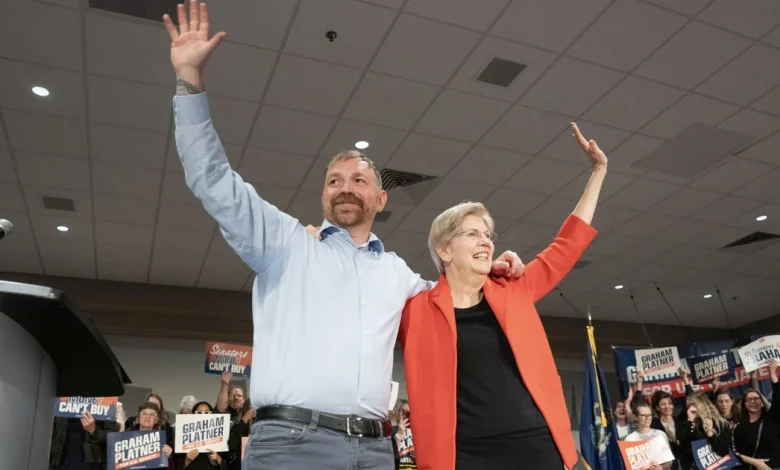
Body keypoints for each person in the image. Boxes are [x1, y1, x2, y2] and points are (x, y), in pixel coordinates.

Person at [161, 2, 522, 468]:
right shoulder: (286, 246)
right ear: (323, 195)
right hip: (291, 444)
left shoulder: (399, 276)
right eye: (334, 180)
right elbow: (212, 179)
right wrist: (189, 78)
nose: (345, 187)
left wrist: (487, 267)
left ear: (380, 199)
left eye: (359, 180)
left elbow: (452, 305)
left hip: (374, 449)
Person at [397, 123, 604, 469]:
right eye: (473, 234)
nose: (486, 241)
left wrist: (598, 172)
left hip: (535, 444)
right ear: (445, 249)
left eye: (488, 234)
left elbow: (566, 246)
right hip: (463, 455)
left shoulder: (513, 289)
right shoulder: (414, 310)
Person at [732, 359, 780, 470]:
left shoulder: (772, 418)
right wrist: (754, 461)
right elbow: (736, 453)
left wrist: (773, 375)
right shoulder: (739, 428)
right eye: (749, 400)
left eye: (756, 399)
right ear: (744, 404)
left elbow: (778, 398)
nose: (753, 402)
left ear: (762, 403)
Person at [676, 392, 731, 470]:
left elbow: (724, 451)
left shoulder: (721, 423)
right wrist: (690, 421)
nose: (691, 408)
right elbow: (686, 449)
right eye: (688, 405)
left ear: (703, 404)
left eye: (693, 404)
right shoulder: (687, 425)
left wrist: (711, 434)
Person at [50, 412, 118, 470]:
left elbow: (113, 436)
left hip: (89, 462)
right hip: (58, 460)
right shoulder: (57, 399)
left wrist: (94, 430)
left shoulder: (104, 401)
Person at [625, 403, 674, 470]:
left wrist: (662, 468)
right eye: (643, 415)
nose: (647, 418)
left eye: (649, 415)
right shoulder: (630, 439)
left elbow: (669, 460)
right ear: (635, 417)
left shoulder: (660, 434)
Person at [181, 402, 228, 470]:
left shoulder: (220, 437)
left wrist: (218, 458)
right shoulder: (185, 437)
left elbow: (227, 465)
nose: (203, 415)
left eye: (207, 412)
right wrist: (187, 460)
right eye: (199, 413)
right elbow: (176, 465)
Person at [126, 402, 174, 469]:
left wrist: (168, 457)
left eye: (151, 414)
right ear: (138, 418)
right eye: (144, 413)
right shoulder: (126, 436)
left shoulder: (161, 439)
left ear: (156, 420)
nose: (147, 417)